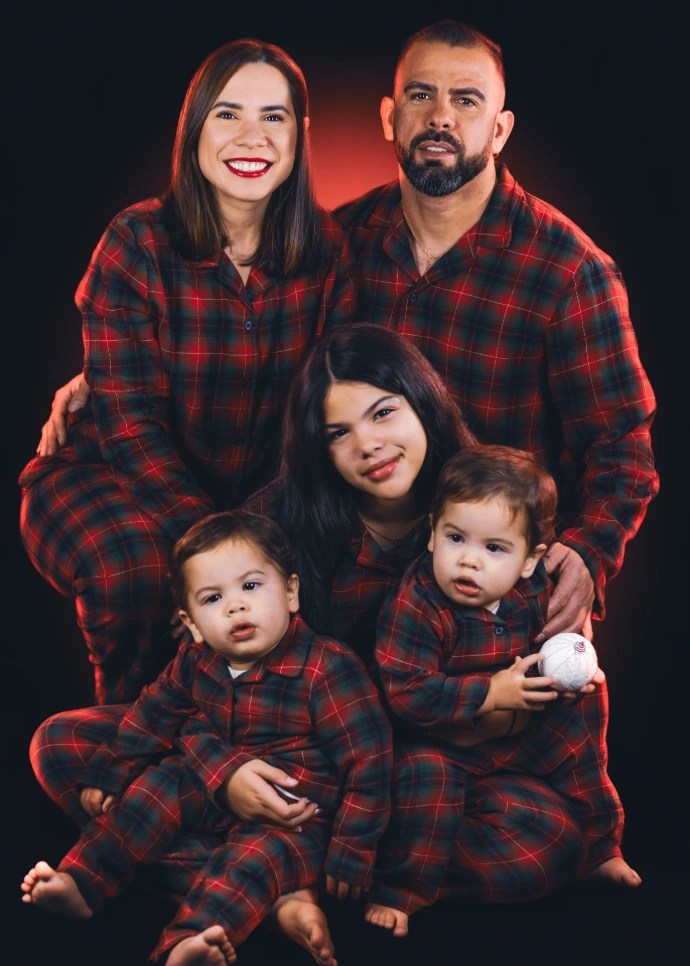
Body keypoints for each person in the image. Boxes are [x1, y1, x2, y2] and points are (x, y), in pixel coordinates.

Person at [19, 38, 354, 705]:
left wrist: (252, 535)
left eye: (274, 116)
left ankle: (228, 752)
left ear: (301, 135)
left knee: (306, 586)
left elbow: (324, 410)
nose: (251, 136)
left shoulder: (328, 254)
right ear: (194, 128)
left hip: (251, 496)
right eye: (228, 114)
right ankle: (131, 741)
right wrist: (218, 550)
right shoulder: (137, 242)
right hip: (112, 475)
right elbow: (129, 425)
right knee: (138, 571)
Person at [23, 510, 392, 966]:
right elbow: (152, 714)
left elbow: (369, 764)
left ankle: (190, 941)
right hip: (208, 784)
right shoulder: (196, 658)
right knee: (151, 790)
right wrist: (111, 773)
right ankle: (83, 881)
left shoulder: (327, 668)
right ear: (192, 622)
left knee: (249, 860)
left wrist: (353, 851)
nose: (236, 606)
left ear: (292, 592)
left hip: (293, 817)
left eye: (251, 587)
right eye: (213, 598)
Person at [367, 446, 630, 938]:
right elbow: (407, 693)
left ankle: (598, 846)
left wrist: (563, 683)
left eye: (494, 548)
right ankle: (402, 888)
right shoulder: (417, 603)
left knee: (590, 698)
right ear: (431, 534)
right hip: (440, 746)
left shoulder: (530, 592)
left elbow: (547, 658)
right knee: (427, 775)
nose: (468, 560)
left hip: (514, 746)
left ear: (531, 560)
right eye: (455, 537)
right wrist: (489, 692)